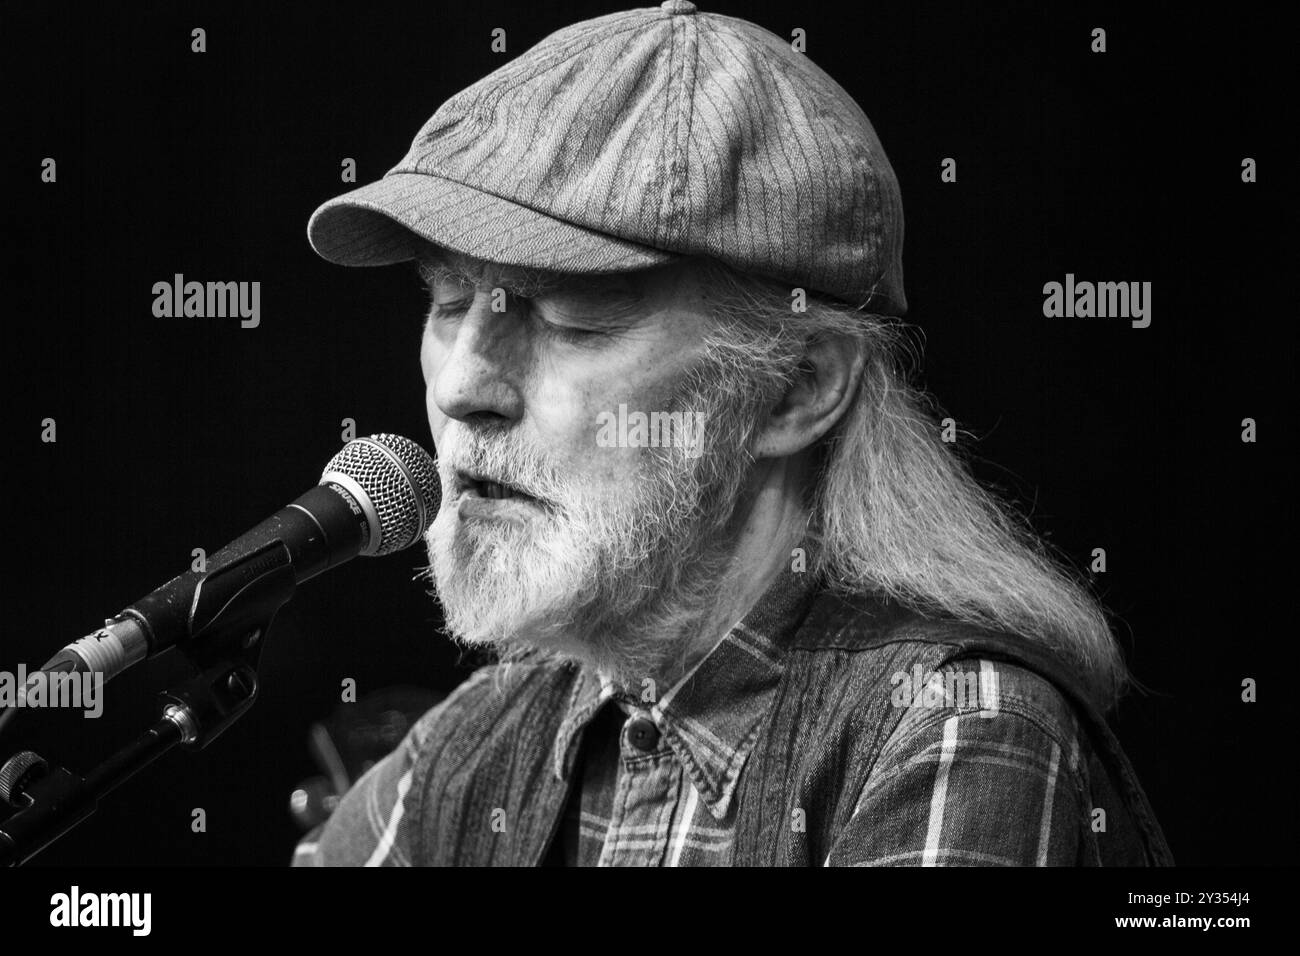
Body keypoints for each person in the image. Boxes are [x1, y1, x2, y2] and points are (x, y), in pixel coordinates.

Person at [291, 1, 1172, 866]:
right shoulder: (479, 742)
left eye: (569, 316)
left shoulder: (952, 729)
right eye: (448, 302)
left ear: (796, 389)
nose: (460, 386)